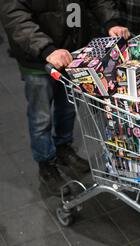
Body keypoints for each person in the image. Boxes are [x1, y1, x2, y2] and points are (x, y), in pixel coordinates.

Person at [0, 1, 130, 196]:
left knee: (68, 106)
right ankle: (46, 164)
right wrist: (46, 49)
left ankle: (63, 148)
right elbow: (16, 17)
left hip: (72, 52)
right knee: (41, 116)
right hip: (37, 59)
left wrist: (111, 22)